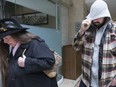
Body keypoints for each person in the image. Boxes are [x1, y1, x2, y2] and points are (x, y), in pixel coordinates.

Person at [0, 18, 58, 87]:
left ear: (16, 35)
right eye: (3, 39)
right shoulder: (14, 47)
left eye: (6, 38)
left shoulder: (34, 43)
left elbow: (49, 61)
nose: (5, 41)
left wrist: (26, 62)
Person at [73, 0, 116, 87]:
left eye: (99, 17)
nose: (96, 20)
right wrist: (82, 31)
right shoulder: (86, 29)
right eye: (94, 17)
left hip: (107, 82)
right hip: (86, 81)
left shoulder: (114, 30)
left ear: (105, 15)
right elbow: (76, 48)